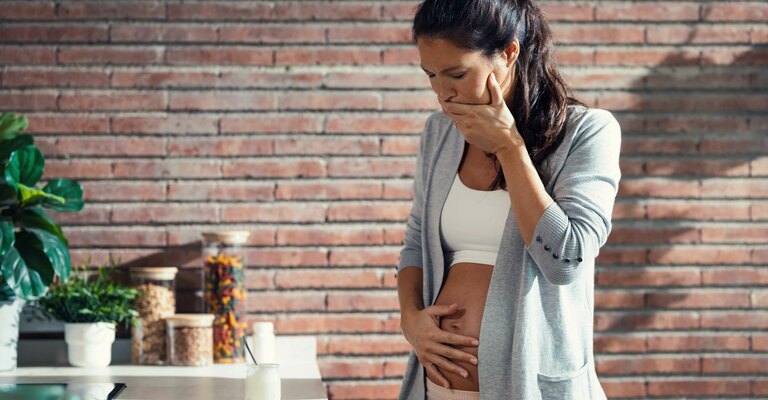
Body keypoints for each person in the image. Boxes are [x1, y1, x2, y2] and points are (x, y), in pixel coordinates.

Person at [396, 0, 621, 399]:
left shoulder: (587, 133)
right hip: (437, 388)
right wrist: (411, 320)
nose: (443, 94)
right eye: (430, 75)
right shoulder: (440, 134)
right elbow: (415, 244)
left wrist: (509, 147)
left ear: (509, 52)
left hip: (533, 387)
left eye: (457, 73)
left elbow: (565, 260)